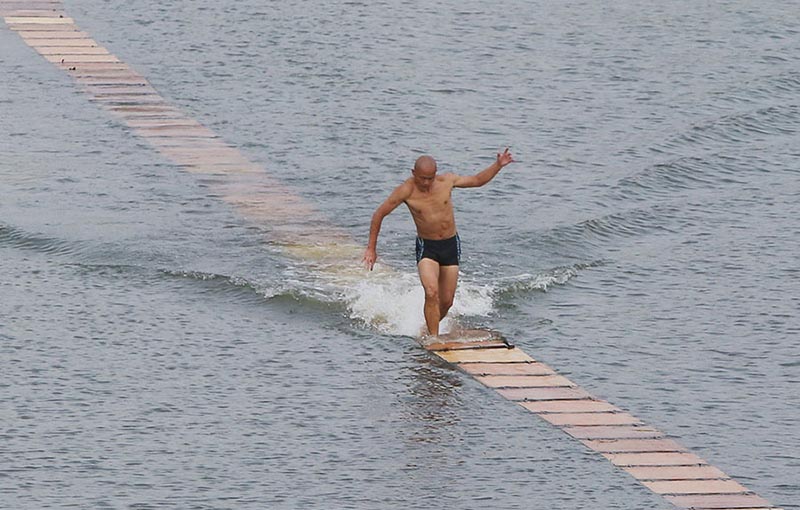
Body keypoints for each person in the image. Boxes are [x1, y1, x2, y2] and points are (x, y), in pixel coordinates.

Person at [363, 148, 515, 337]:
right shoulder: (406, 191)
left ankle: (426, 330)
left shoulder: (446, 181)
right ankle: (433, 339)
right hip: (427, 247)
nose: (426, 183)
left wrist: (497, 165)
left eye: (430, 178)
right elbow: (379, 215)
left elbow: (477, 181)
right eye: (422, 178)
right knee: (431, 291)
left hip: (450, 246)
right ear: (413, 173)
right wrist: (371, 249)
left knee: (446, 302)